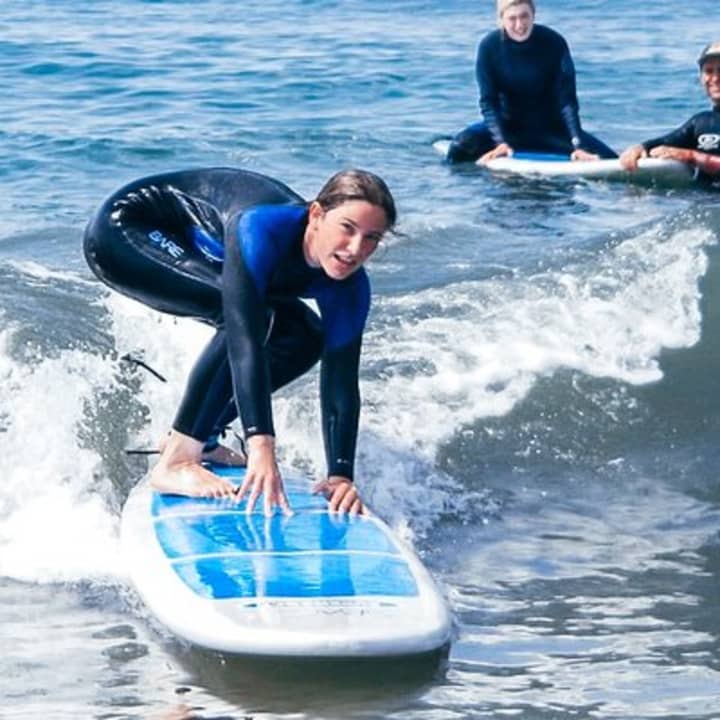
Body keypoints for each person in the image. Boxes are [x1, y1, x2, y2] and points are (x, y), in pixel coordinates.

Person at [84, 167, 396, 516]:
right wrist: (261, 445)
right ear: (316, 215)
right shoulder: (261, 228)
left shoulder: (351, 288)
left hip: (199, 252)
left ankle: (204, 438)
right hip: (127, 231)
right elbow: (244, 340)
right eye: (347, 228)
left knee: (305, 336)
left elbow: (341, 381)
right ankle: (177, 460)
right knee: (251, 317)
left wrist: (340, 476)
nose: (355, 249)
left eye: (371, 238)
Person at [446, 0, 616, 164]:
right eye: (512, 18)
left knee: (611, 160)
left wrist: (578, 145)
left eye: (524, 16)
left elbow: (567, 101)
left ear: (533, 15)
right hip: (508, 128)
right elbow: (488, 102)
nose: (519, 25)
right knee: (459, 147)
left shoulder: (553, 42)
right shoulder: (489, 47)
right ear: (501, 19)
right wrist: (500, 142)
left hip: (550, 130)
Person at [619, 42, 720, 183]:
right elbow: (665, 142)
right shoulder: (702, 122)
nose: (715, 78)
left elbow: (690, 156)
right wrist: (639, 148)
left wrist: (692, 157)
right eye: (708, 71)